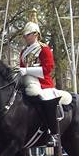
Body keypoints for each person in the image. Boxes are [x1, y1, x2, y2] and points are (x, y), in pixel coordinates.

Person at [18, 10, 61, 148]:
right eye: (24, 35)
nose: (25, 37)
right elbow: (21, 67)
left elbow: (47, 69)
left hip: (43, 83)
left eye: (28, 35)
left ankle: (51, 132)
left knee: (45, 101)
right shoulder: (23, 51)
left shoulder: (44, 49)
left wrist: (27, 70)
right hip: (27, 81)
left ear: (35, 34)